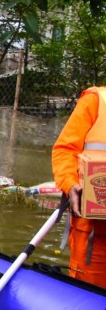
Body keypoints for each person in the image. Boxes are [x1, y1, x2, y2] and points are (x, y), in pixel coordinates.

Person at [51, 86, 106, 289]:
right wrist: (70, 184)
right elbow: (65, 150)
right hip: (96, 235)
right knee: (89, 301)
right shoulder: (96, 101)